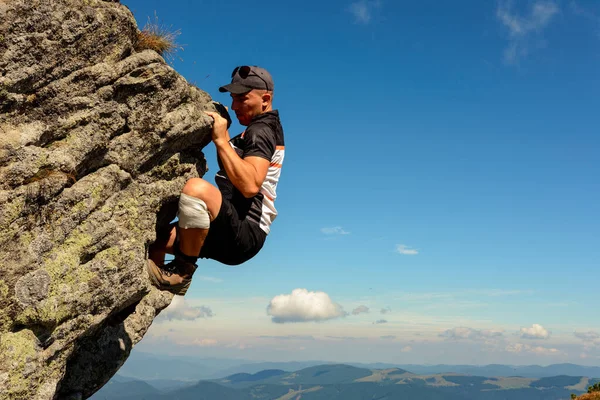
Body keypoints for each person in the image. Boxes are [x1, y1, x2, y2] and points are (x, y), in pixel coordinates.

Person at [147, 65, 285, 295]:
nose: (234, 106)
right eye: (232, 98)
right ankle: (154, 289)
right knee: (155, 239)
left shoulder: (262, 129)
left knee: (196, 188)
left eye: (242, 98)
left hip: (245, 232)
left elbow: (250, 186)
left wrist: (221, 140)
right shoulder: (257, 129)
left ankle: (182, 271)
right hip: (225, 230)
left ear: (266, 98)